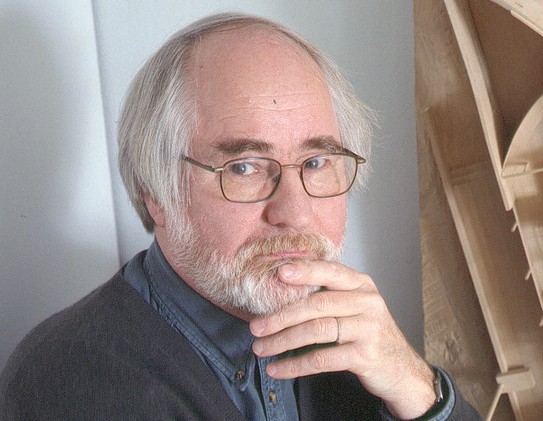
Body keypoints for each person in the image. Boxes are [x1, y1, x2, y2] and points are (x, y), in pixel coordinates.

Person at [0, 12, 480, 420]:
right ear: (155, 192)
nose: (295, 213)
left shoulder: (350, 335)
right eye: (244, 168)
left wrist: (418, 389)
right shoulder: (74, 382)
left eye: (316, 163)